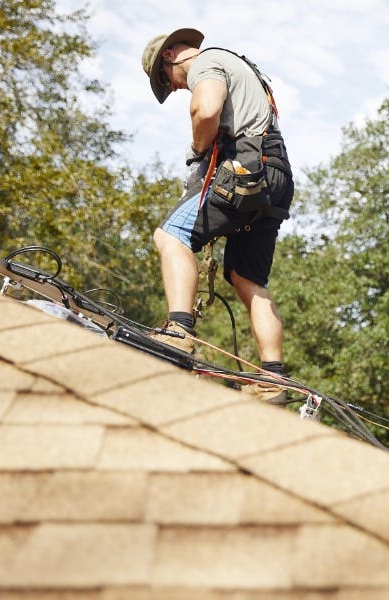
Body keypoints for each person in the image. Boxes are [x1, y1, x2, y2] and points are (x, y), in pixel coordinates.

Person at [140, 28, 294, 404]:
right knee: (247, 277)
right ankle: (274, 377)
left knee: (170, 236)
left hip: (243, 171)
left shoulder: (206, 63)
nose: (176, 89)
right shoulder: (243, 68)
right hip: (275, 177)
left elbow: (206, 108)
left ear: (170, 57)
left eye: (167, 82)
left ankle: (178, 330)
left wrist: (198, 148)